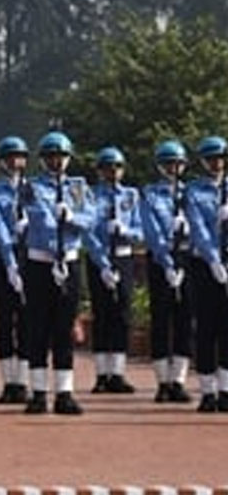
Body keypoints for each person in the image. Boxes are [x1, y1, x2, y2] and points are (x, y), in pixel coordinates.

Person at [16, 131, 95, 415]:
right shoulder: (32, 187)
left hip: (69, 262)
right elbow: (37, 218)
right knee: (37, 327)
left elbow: (91, 217)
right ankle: (38, 393)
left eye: (61, 156)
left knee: (64, 328)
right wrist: (56, 225)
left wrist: (72, 217)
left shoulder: (78, 187)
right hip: (41, 261)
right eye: (51, 156)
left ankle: (64, 392)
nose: (56, 161)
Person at [139, 140, 194, 403]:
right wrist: (167, 262)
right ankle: (162, 382)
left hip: (187, 257)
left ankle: (178, 380)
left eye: (177, 163)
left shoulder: (191, 193)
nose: (173, 168)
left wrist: (188, 230)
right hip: (161, 259)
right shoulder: (150, 194)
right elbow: (151, 231)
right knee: (161, 320)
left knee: (185, 319)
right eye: (168, 163)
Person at [85, 147, 141, 395]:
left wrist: (126, 231)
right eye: (108, 167)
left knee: (122, 314)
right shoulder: (91, 195)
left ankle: (117, 373)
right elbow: (87, 231)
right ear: (100, 171)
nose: (113, 172)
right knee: (101, 314)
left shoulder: (131, 195)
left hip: (124, 256)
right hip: (100, 258)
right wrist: (103, 264)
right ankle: (101, 374)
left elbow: (141, 229)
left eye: (117, 167)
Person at [0, 136, 32, 404]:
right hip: (4, 254)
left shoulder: (35, 189)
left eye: (19, 157)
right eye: (10, 157)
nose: (15, 162)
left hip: (30, 253)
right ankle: (8, 381)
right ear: (2, 162)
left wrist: (30, 225)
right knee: (4, 317)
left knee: (27, 318)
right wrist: (10, 262)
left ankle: (22, 380)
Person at [185, 134, 228, 412]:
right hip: (204, 265)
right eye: (211, 159)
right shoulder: (194, 191)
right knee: (205, 327)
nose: (216, 163)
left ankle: (226, 389)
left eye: (220, 158)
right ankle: (207, 391)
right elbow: (198, 228)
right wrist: (213, 260)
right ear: (203, 161)